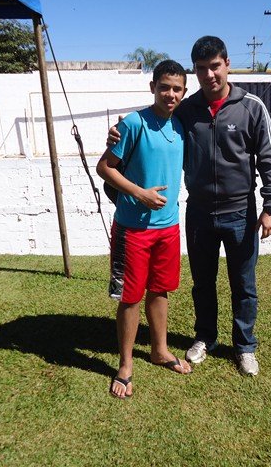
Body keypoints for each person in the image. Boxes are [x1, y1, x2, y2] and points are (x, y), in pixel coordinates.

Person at [107, 36, 271, 376]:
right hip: (199, 212)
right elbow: (154, 117)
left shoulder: (251, 107)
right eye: (201, 69)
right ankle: (205, 337)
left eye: (215, 66)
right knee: (202, 282)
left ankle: (244, 346)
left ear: (227, 64)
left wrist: (270, 205)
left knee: (243, 284)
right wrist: (118, 132)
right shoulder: (187, 110)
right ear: (195, 72)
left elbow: (268, 158)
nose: (209, 74)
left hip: (240, 213)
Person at [96, 60, 192, 400]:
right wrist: (139, 193)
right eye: (164, 87)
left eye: (177, 89)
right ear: (153, 87)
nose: (170, 94)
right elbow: (104, 167)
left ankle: (159, 350)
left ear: (184, 92)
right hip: (132, 229)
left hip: (168, 227)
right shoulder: (134, 123)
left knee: (160, 289)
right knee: (130, 296)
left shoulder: (180, 124)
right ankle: (125, 365)